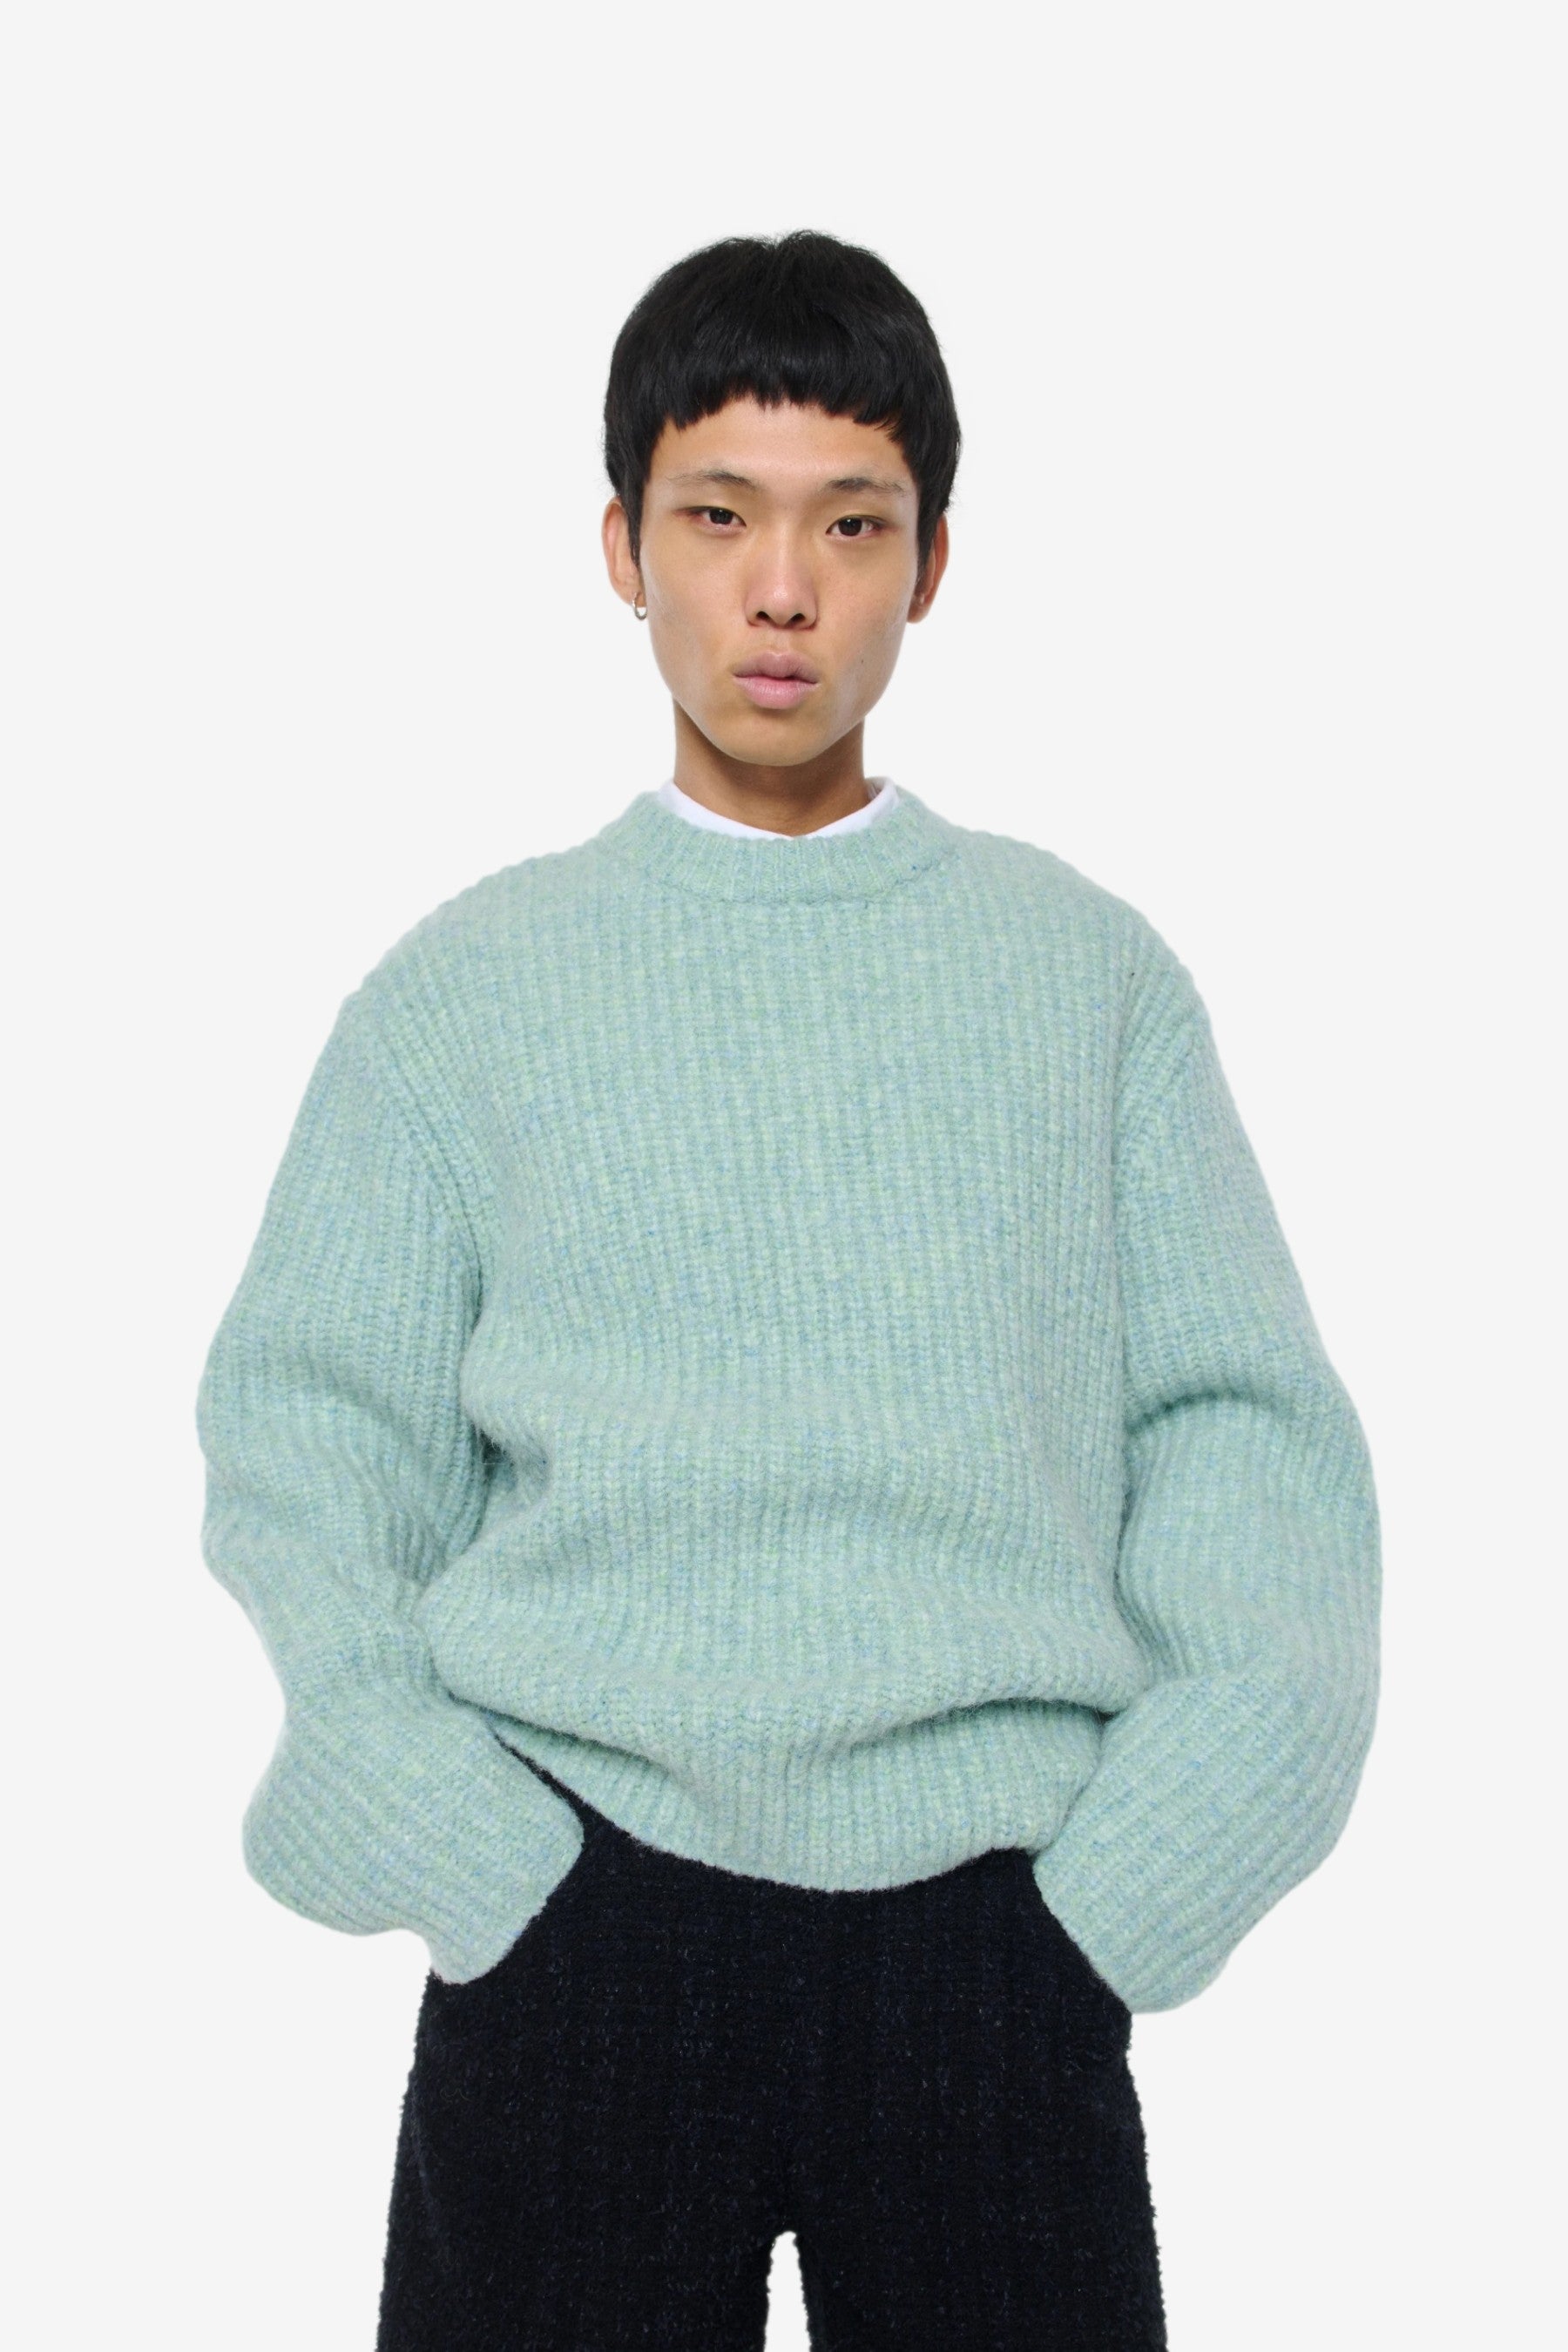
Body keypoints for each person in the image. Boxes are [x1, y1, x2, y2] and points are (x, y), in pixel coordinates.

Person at [195, 229, 1382, 2351]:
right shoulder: (467, 995)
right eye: (717, 516)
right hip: (573, 1918)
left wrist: (1120, 1903)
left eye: (853, 525)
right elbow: (308, 1440)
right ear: (620, 547)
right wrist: (466, 1856)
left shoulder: (1085, 984)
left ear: (932, 567)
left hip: (996, 1945)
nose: (781, 590)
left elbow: (1250, 1452)